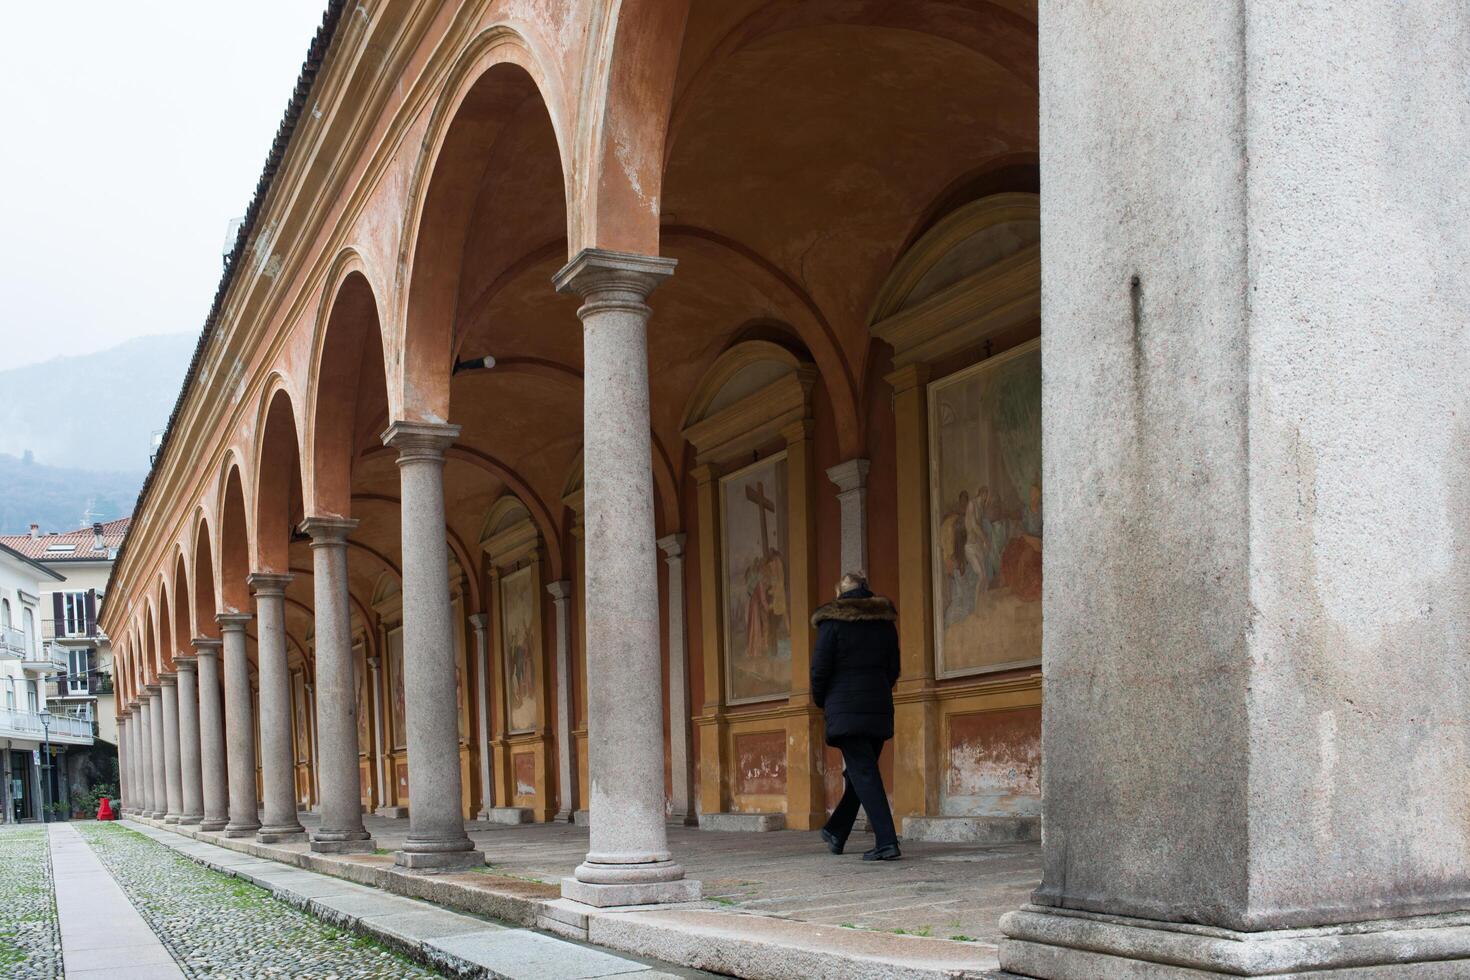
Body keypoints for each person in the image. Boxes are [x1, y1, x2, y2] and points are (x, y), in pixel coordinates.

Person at [810, 571, 902, 861]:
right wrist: (878, 690)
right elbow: (893, 668)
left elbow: (820, 669)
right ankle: (837, 831)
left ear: (840, 592)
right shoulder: (884, 623)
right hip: (878, 705)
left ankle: (887, 841)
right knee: (862, 772)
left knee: (863, 772)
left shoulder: (832, 623)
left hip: (845, 707)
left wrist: (823, 700)